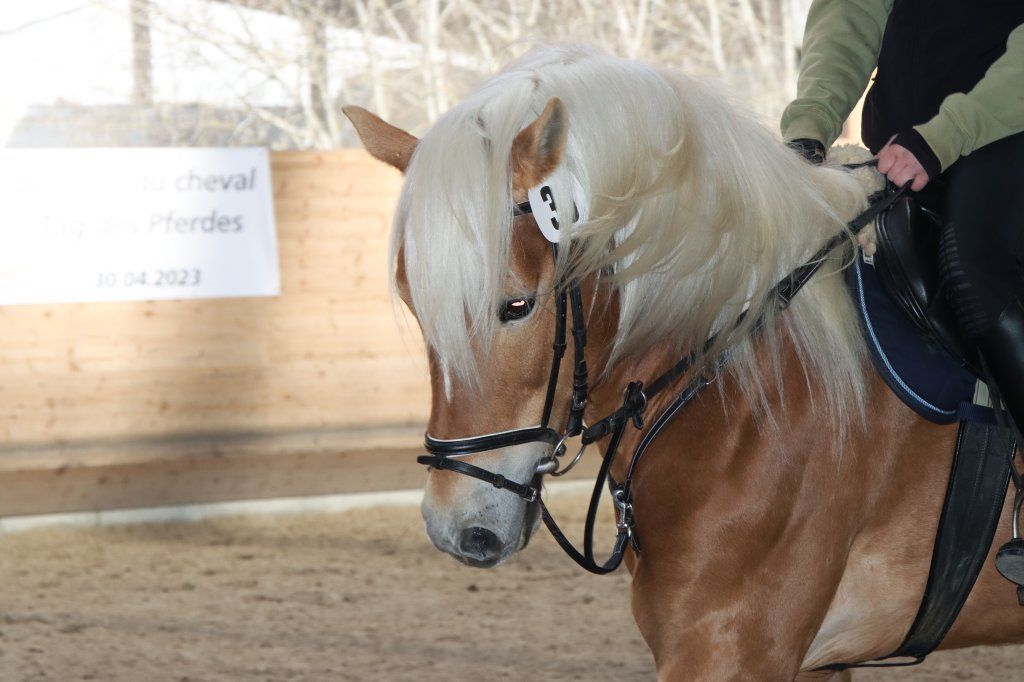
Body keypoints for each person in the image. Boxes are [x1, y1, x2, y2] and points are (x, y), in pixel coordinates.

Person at [780, 0, 1024, 444]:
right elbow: (851, 13)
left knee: (975, 266)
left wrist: (946, 134)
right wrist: (809, 127)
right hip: (906, 149)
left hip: (1005, 130)